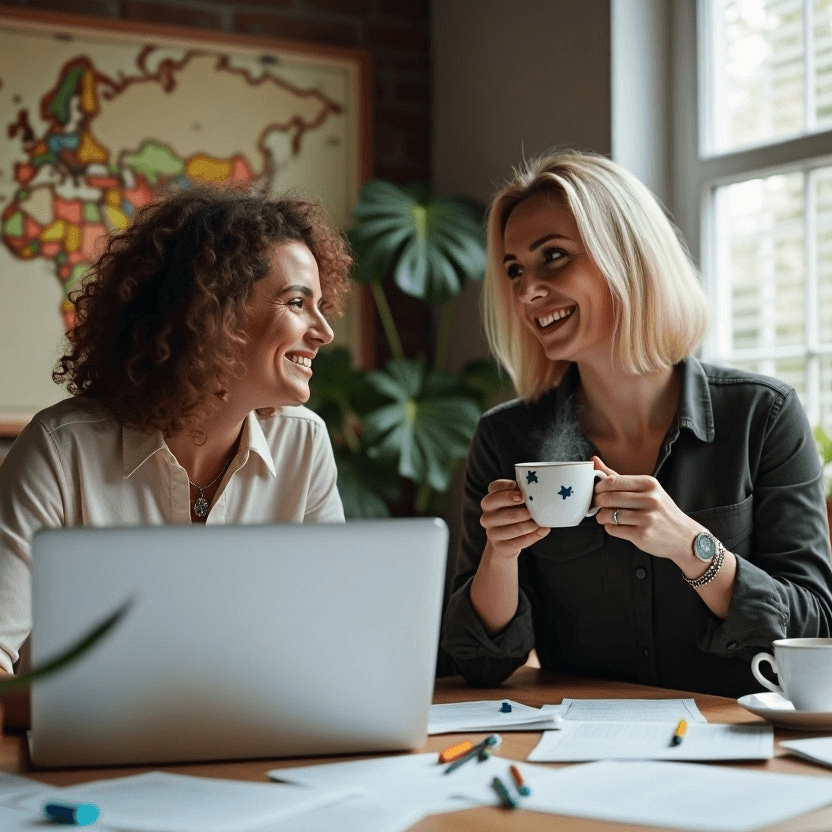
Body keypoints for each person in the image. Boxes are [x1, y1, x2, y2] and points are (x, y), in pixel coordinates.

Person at [442, 150, 832, 698]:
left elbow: (816, 629)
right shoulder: (504, 439)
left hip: (733, 734)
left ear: (625, 255)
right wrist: (500, 554)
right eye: (514, 271)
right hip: (573, 740)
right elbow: (479, 665)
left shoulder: (762, 416)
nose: (527, 291)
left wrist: (691, 546)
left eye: (553, 256)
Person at [0, 185, 351, 677]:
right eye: (296, 302)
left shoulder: (304, 444)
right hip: (85, 732)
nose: (324, 331)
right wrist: (68, 710)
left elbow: (333, 639)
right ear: (215, 313)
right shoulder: (61, 451)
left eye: (319, 305)